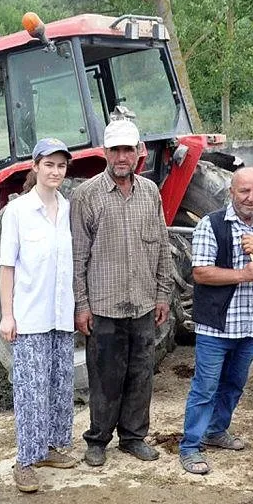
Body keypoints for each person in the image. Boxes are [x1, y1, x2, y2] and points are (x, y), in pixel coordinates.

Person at [70, 118, 173, 467]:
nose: (121, 156)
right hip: (104, 305)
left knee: (141, 373)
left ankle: (133, 437)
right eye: (115, 149)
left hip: (144, 302)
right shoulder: (86, 195)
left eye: (128, 149)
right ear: (104, 152)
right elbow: (78, 254)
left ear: (139, 152)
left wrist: (163, 294)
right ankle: (98, 439)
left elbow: (161, 245)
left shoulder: (150, 192)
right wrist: (81, 305)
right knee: (105, 377)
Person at [180, 168, 253, 475]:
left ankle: (216, 431)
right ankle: (190, 446)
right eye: (245, 191)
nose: (251, 198)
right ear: (232, 192)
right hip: (217, 325)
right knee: (205, 387)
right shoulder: (211, 224)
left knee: (234, 384)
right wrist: (243, 274)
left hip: (250, 324)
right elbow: (201, 272)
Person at [0, 137, 79, 493]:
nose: (55, 171)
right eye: (49, 165)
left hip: (61, 313)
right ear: (35, 167)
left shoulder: (67, 208)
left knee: (59, 384)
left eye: (61, 166)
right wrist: (7, 315)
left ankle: (50, 448)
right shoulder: (18, 212)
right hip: (29, 315)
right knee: (31, 390)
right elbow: (6, 268)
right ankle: (25, 461)